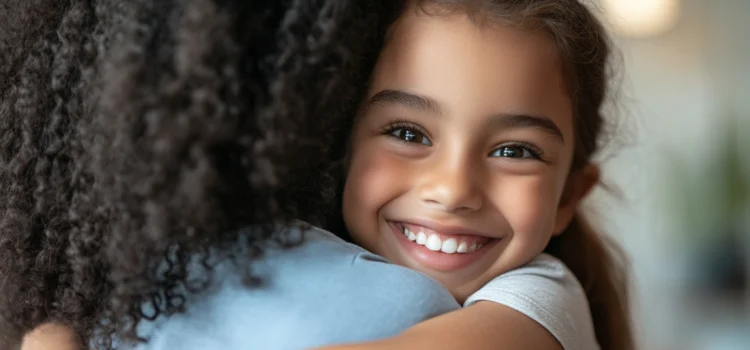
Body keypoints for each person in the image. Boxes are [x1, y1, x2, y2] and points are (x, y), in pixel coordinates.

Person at [318, 0, 633, 349]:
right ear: (339, 145)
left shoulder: (542, 302)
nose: (453, 191)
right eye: (408, 134)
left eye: (514, 151)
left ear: (568, 197)